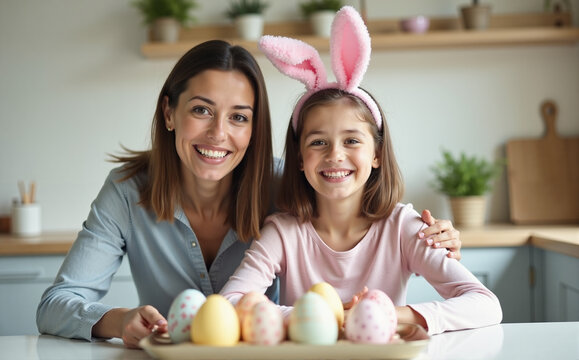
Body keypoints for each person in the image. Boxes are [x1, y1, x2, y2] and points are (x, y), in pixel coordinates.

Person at [36, 39, 463, 348]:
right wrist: (117, 320)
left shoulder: (286, 185)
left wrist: (432, 238)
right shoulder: (127, 192)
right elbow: (56, 305)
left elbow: (352, 201)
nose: (218, 134)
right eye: (201, 110)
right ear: (169, 112)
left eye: (238, 117)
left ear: (254, 128)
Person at [220, 6, 502, 335]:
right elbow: (230, 302)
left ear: (377, 154)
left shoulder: (403, 228)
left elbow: (484, 303)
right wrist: (326, 316)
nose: (335, 155)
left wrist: (393, 315)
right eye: (317, 143)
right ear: (299, 158)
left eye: (352, 140)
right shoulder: (284, 233)